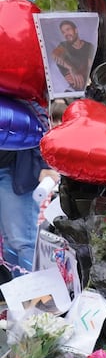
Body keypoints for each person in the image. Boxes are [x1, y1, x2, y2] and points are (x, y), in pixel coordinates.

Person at [0, 103, 55, 276]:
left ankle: (35, 295)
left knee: (22, 240)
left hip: (13, 170)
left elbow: (39, 120)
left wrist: (46, 164)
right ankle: (22, 296)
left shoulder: (14, 85)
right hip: (9, 169)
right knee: (9, 242)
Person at [52, 20, 95, 92]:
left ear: (76, 30)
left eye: (68, 29)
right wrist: (71, 68)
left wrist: (78, 77)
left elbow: (90, 67)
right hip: (66, 90)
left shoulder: (89, 46)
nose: (66, 34)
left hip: (84, 88)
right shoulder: (63, 45)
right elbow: (54, 55)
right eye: (63, 32)